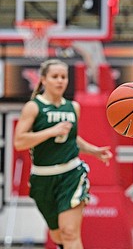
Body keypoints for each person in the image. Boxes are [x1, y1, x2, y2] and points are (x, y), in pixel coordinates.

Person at [13, 59, 113, 249]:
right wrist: (51, 131)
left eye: (63, 77)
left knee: (69, 232)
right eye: (55, 77)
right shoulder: (34, 107)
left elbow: (71, 139)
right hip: (42, 178)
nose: (60, 81)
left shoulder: (73, 107)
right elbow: (19, 142)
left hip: (71, 174)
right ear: (43, 80)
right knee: (57, 235)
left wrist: (94, 151)